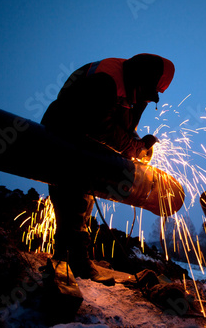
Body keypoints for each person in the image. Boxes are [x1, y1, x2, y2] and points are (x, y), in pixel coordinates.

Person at [41, 54, 175, 284]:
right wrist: (136, 149)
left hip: (87, 142)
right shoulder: (105, 81)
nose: (152, 99)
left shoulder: (133, 88)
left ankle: (78, 260)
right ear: (143, 79)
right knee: (70, 195)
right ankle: (63, 260)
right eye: (152, 92)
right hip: (62, 135)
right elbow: (101, 129)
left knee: (85, 197)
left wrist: (140, 143)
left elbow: (122, 128)